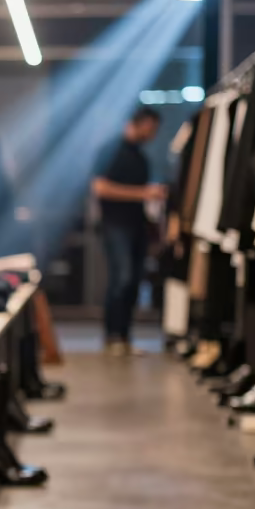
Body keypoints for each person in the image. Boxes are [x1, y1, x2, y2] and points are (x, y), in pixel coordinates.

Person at [91, 106, 165, 356]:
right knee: (120, 279)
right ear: (142, 123)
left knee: (133, 281)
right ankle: (112, 336)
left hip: (137, 225)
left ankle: (123, 337)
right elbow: (100, 188)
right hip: (115, 226)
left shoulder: (140, 157)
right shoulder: (109, 150)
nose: (153, 134)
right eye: (152, 128)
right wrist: (143, 193)